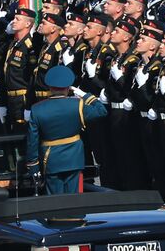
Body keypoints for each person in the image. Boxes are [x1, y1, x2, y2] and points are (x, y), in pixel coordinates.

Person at [26, 65, 107, 194]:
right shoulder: (78, 105)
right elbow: (101, 111)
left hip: (51, 159)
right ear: (68, 87)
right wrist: (85, 96)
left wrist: (33, 165)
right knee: (74, 199)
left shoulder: (37, 109)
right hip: (74, 158)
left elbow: (32, 141)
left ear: (49, 87)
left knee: (55, 201)